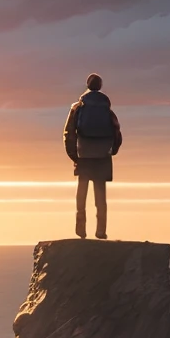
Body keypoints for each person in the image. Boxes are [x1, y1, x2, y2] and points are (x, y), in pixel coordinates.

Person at [63, 74, 122, 240]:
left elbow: (69, 132)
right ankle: (101, 231)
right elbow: (117, 131)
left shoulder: (78, 107)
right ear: (101, 85)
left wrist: (73, 155)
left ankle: (81, 229)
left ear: (87, 85)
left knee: (81, 193)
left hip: (83, 153)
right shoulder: (107, 109)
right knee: (100, 195)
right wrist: (112, 150)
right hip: (103, 154)